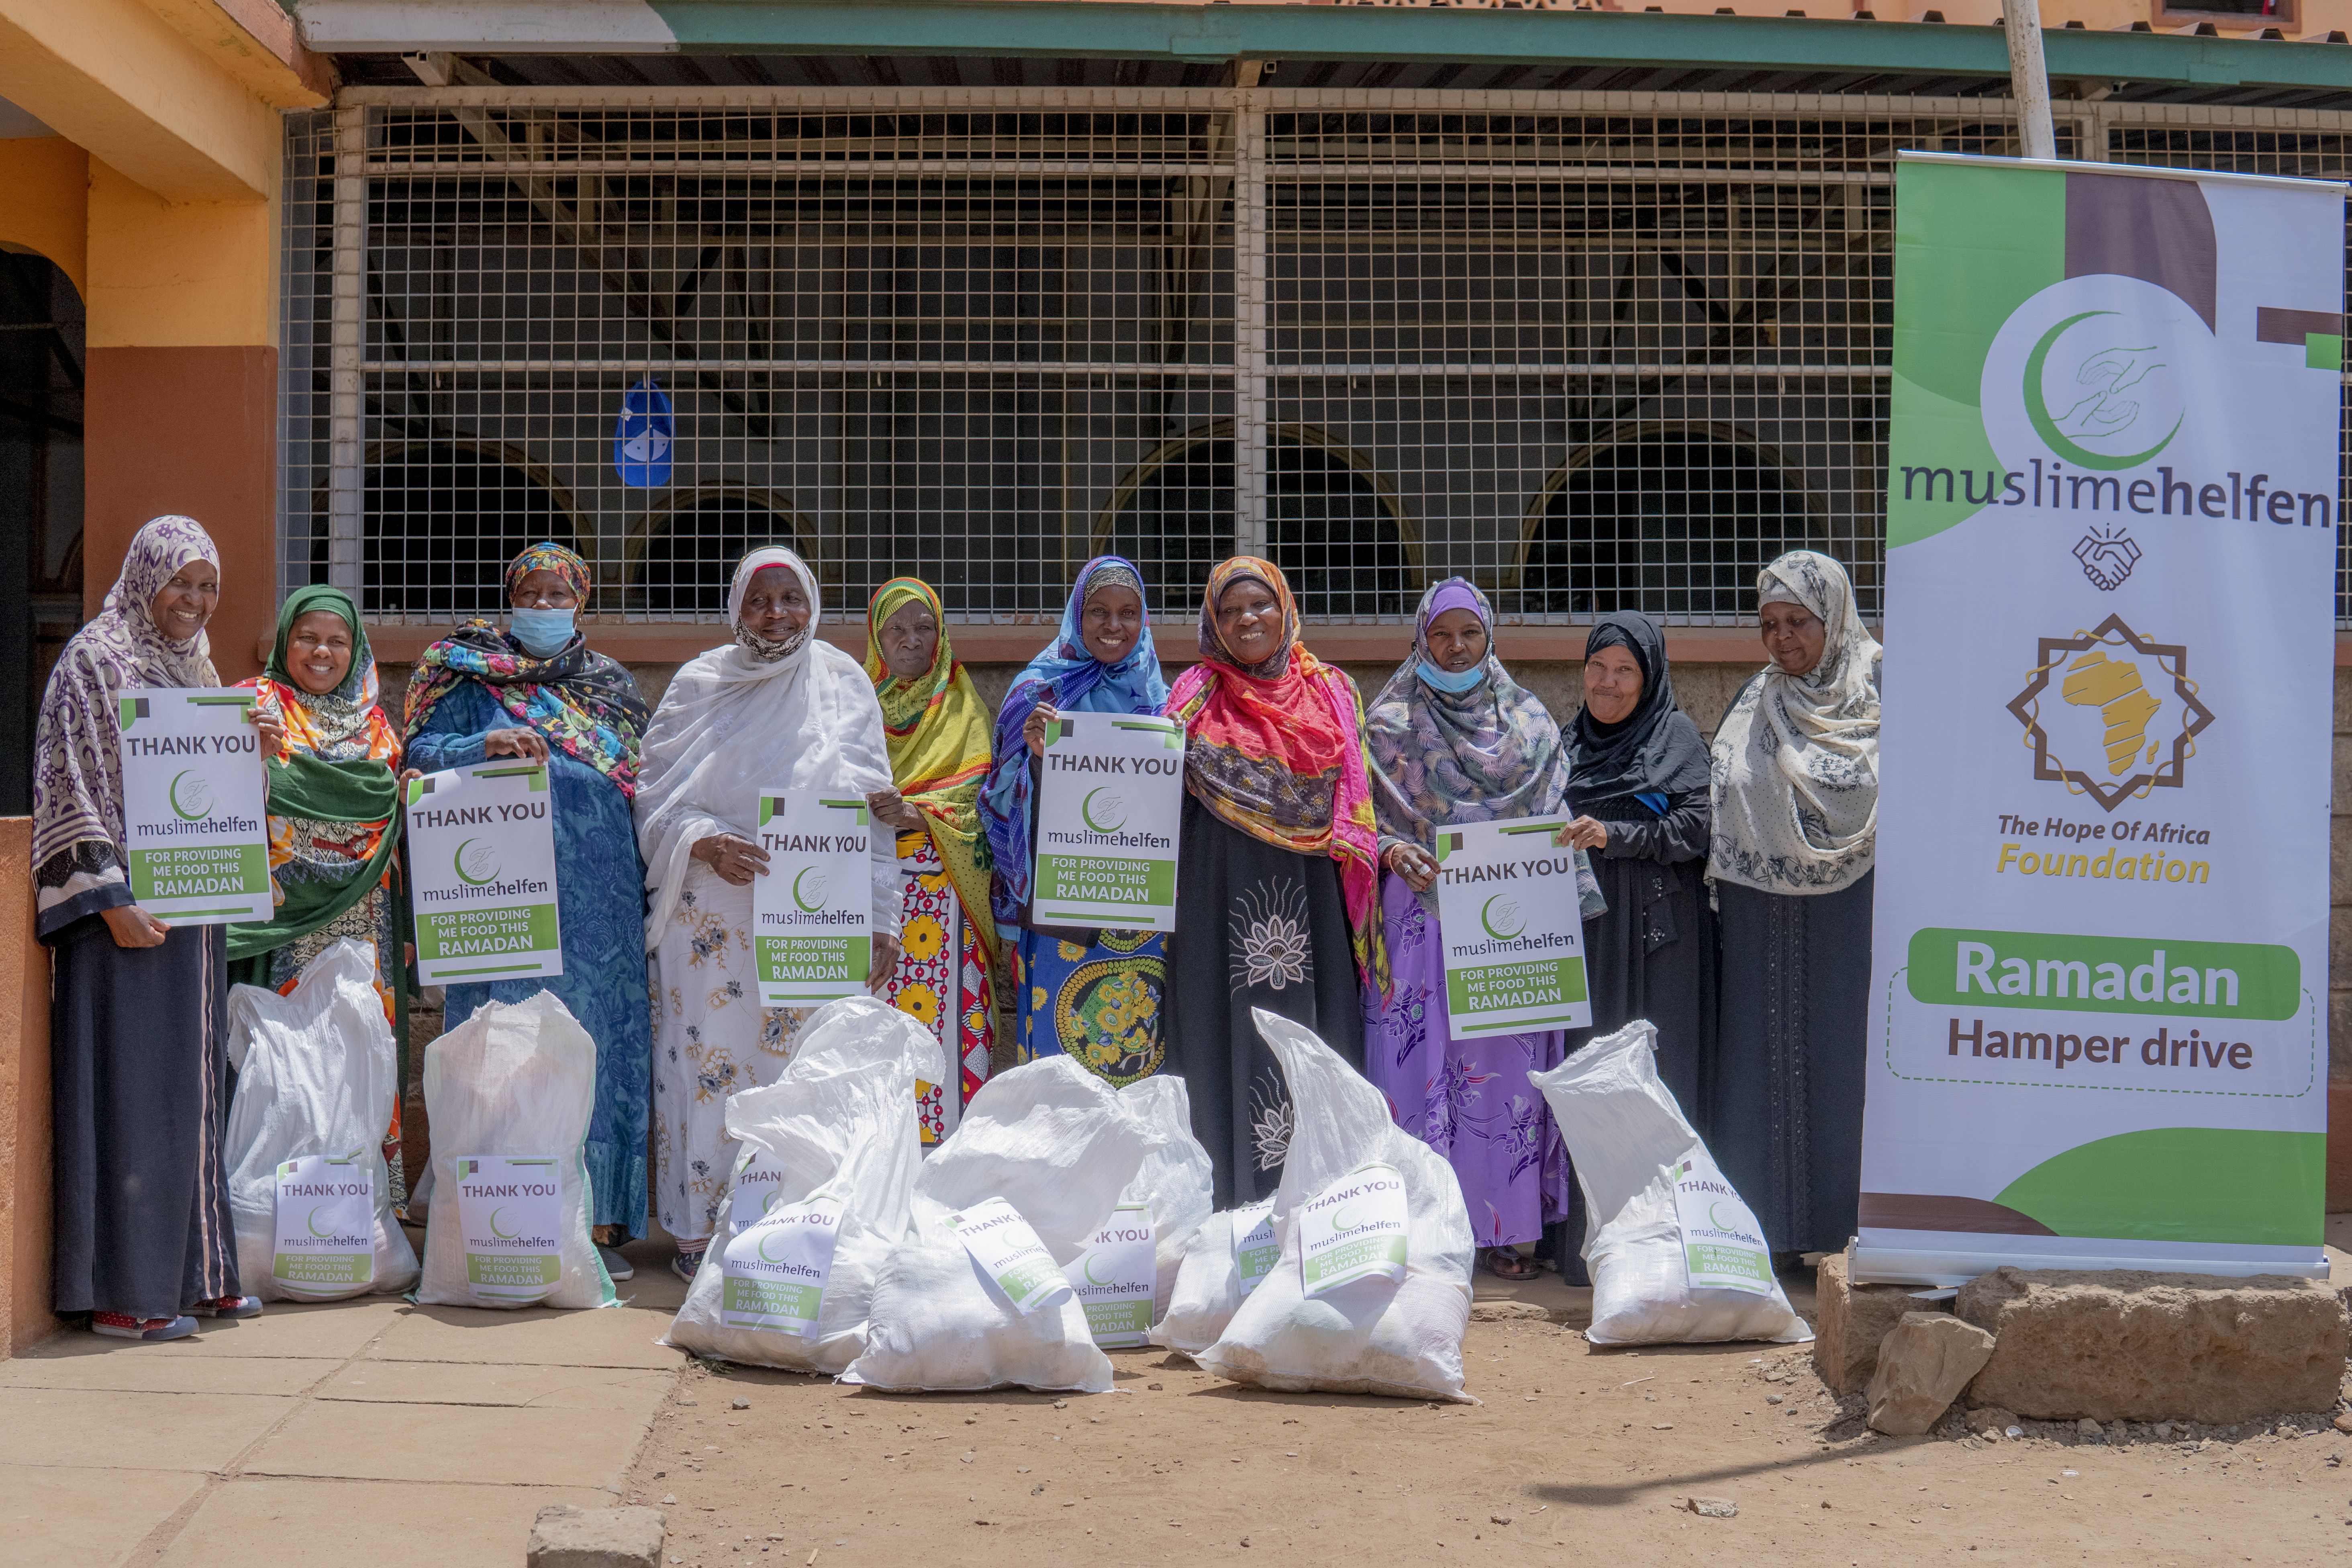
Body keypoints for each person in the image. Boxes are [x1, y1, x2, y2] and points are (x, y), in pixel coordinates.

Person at [635, 547, 902, 1280]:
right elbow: (654, 795)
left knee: (806, 1063)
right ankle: (705, 1228)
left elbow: (873, 806)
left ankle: (802, 1221)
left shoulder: (844, 682)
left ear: (812, 604)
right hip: (713, 911)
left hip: (818, 903)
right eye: (760, 599)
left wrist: (882, 916)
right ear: (736, 608)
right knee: (712, 1063)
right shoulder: (700, 684)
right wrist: (706, 840)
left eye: (791, 597)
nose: (777, 613)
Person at [35, 515, 261, 1339]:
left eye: (208, 587)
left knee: (191, 1094)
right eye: (181, 582)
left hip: (192, 910)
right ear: (144, 577)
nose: (194, 601)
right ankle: (126, 1292)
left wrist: (252, 746)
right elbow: (70, 784)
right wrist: (111, 896)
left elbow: (202, 790)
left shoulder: (192, 667)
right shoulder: (97, 660)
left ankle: (197, 1275)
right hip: (123, 915)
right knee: (133, 1094)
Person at [405, 542, 653, 1280]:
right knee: (501, 1044)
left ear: (582, 601)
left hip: (598, 907)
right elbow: (417, 751)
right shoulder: (467, 670)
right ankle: (493, 1219)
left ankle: (595, 1222)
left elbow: (646, 776)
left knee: (590, 1043)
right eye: (531, 593)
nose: (543, 606)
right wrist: (483, 741)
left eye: (558, 593)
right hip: (501, 898)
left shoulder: (610, 685)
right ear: (510, 597)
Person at [1362, 578, 1586, 1279]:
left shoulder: (1532, 724)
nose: (1455, 646)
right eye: (1441, 634)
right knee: (1416, 1070)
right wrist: (1390, 849)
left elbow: (1552, 817)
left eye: (1469, 633)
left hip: (1507, 929)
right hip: (1417, 922)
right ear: (1420, 639)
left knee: (1499, 1082)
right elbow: (1358, 820)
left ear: (1490, 636)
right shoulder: (1386, 725)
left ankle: (1500, 1230)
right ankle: (1420, 1227)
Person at [1163, 557, 1385, 1206]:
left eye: (1258, 605)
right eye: (1229, 611)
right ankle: (1232, 1209)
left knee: (1306, 1044)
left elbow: (1356, 797)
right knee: (1222, 1043)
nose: (1246, 619)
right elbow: (1147, 776)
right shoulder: (1193, 695)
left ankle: (1321, 1209)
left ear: (1284, 609)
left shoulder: (1332, 690)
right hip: (1216, 897)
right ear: (1212, 622)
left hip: (1310, 903)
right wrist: (1057, 744)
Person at [1708, 549, 1881, 1265]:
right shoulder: (1756, 698)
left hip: (1856, 913)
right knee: (1761, 1067)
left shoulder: (1883, 691)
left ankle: (1844, 1234)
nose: (1782, 638)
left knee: (1847, 1071)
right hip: (1761, 918)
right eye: (1769, 623)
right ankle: (1769, 1236)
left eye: (1798, 621)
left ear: (1833, 618)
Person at [229, 584, 409, 1203]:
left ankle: (359, 1211)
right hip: (281, 922)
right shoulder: (252, 706)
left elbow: (394, 806)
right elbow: (204, 782)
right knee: (281, 1059)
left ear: (355, 648)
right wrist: (239, 744)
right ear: (284, 641)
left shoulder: (377, 725)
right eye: (308, 637)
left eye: (338, 640)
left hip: (363, 918)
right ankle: (267, 1204)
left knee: (355, 1051)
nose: (322, 652)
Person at [980, 556, 1170, 1086]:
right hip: (1063, 906)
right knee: (1060, 1055)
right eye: (1099, 612)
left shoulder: (1162, 703)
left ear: (1144, 620)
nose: (1114, 626)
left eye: (1129, 613)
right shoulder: (1036, 695)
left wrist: (1180, 755)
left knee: (1137, 1047)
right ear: (1076, 617)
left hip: (1138, 910)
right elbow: (995, 802)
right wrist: (1038, 758)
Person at [1560, 611, 1716, 1118]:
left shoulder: (1677, 739)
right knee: (1588, 1061)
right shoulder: (1567, 745)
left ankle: (1670, 1195)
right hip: (1590, 931)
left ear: (1649, 677)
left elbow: (1695, 831)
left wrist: (1615, 835)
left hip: (1660, 933)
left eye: (1625, 670)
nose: (1608, 682)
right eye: (1597, 666)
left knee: (1660, 1069)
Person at [862, 576, 997, 1144]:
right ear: (877, 638)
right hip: (869, 901)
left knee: (947, 1036)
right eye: (897, 629)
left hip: (947, 907)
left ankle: (950, 1166)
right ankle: (883, 1169)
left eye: (924, 628)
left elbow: (983, 811)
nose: (911, 640)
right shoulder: (856, 711)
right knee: (878, 1038)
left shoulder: (963, 710)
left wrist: (921, 817)